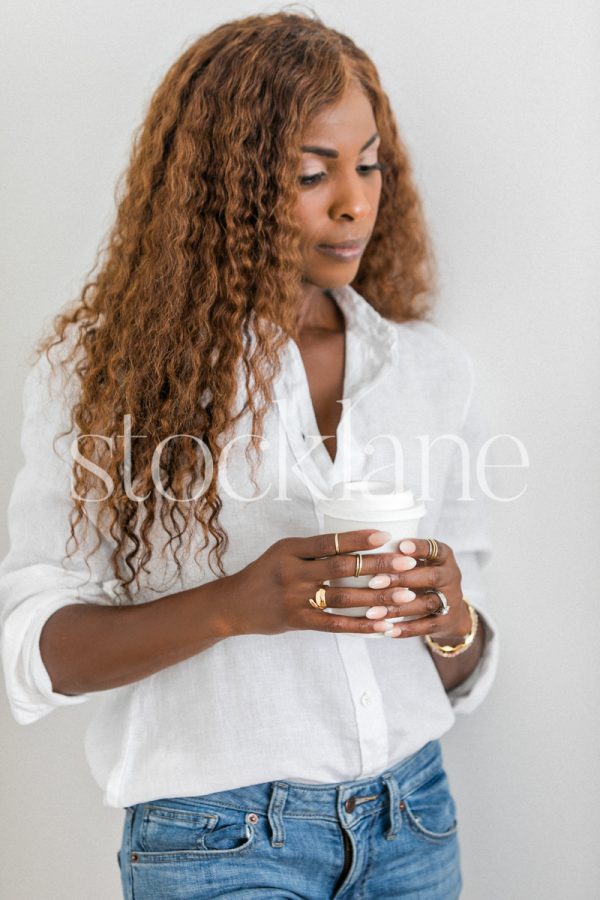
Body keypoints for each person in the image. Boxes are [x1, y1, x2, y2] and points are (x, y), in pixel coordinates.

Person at [0, 11, 499, 899]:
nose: (355, 201)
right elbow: (37, 652)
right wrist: (238, 604)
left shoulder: (426, 372)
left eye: (369, 163)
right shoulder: (104, 376)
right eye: (314, 173)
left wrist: (451, 616)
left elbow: (462, 665)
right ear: (223, 187)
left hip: (412, 822)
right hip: (216, 844)